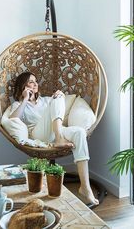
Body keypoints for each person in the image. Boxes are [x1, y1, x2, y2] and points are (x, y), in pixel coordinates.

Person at [9, 71, 99, 205]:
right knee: (57, 99)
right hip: (38, 134)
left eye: (35, 81)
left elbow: (58, 108)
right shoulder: (18, 104)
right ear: (23, 85)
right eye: (30, 81)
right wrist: (25, 99)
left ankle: (85, 187)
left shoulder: (45, 100)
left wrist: (60, 96)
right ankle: (59, 138)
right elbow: (13, 119)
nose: (35, 84)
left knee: (79, 132)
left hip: (55, 129)